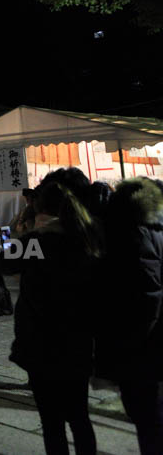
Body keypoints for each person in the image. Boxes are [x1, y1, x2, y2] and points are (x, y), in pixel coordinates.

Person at [11, 180, 100, 455]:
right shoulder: (86, 238)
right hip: (78, 341)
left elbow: (2, 263)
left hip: (42, 341)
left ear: (40, 208)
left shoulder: (38, 241)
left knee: (52, 421)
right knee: (79, 416)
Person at [97, 177, 163, 455]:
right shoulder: (156, 231)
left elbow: (144, 299)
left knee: (149, 423)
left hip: (142, 351)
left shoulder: (130, 238)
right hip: (150, 347)